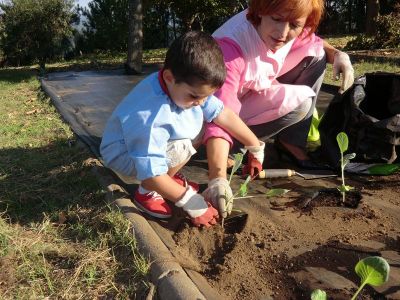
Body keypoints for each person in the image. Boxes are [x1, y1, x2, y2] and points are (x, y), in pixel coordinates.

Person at [204, 0, 355, 218]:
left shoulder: (285, 30)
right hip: (210, 113)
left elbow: (313, 41)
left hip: (250, 92)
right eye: (276, 19)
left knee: (318, 57)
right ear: (260, 13)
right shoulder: (231, 47)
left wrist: (339, 55)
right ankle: (231, 151)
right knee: (299, 104)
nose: (283, 33)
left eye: (294, 24)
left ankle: (291, 143)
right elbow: (218, 111)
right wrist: (216, 178)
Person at [100, 31, 264, 227]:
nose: (201, 102)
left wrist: (254, 146)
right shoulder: (152, 117)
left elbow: (223, 114)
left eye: (206, 97)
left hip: (147, 144)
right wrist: (192, 202)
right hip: (125, 152)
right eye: (195, 96)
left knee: (200, 126)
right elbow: (151, 173)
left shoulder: (184, 86)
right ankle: (147, 193)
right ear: (169, 77)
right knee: (181, 146)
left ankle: (167, 179)